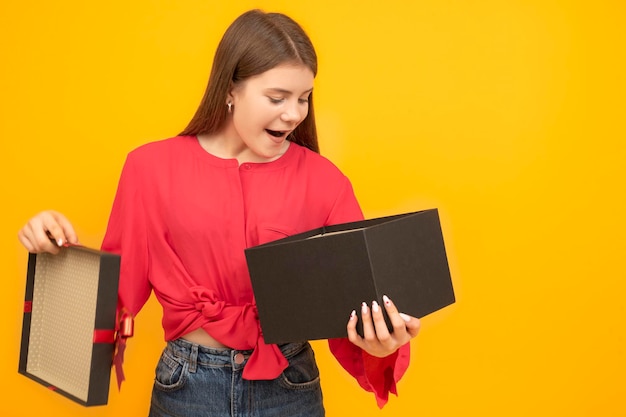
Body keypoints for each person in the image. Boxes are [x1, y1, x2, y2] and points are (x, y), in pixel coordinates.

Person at [17, 9, 420, 417]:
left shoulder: (325, 181)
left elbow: (354, 308)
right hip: (187, 387)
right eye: (277, 98)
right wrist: (56, 251)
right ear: (230, 89)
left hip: (290, 386)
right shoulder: (149, 169)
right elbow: (115, 300)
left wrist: (382, 343)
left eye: (304, 98)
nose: (294, 114)